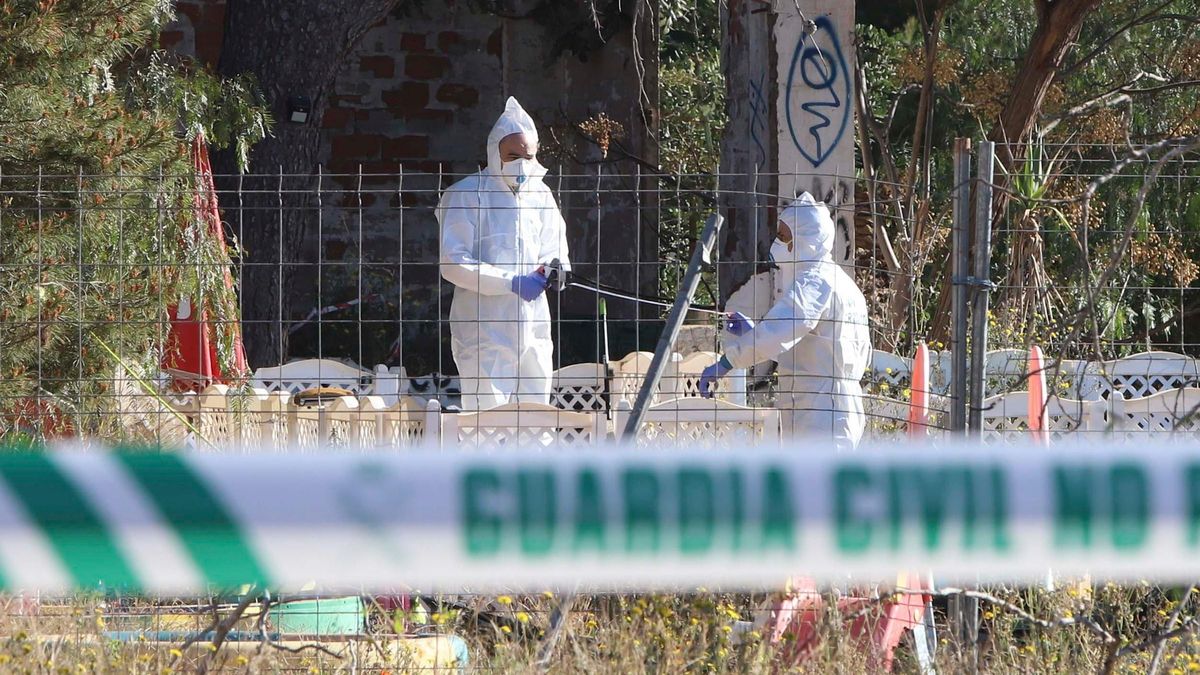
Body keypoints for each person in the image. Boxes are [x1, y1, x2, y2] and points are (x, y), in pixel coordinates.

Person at [700, 193, 871, 448]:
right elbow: (820, 355)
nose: (777, 242)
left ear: (804, 238)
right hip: (831, 409)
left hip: (821, 415)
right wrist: (755, 333)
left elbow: (782, 329)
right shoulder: (842, 283)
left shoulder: (815, 282)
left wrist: (729, 360)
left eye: (783, 236)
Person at [437, 97, 571, 412]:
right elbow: (453, 263)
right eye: (512, 156)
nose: (521, 164)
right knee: (487, 419)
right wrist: (509, 282)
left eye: (528, 156)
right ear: (494, 152)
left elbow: (555, 244)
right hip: (485, 327)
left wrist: (558, 268)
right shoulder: (467, 195)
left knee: (536, 415)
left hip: (533, 322)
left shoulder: (540, 194)